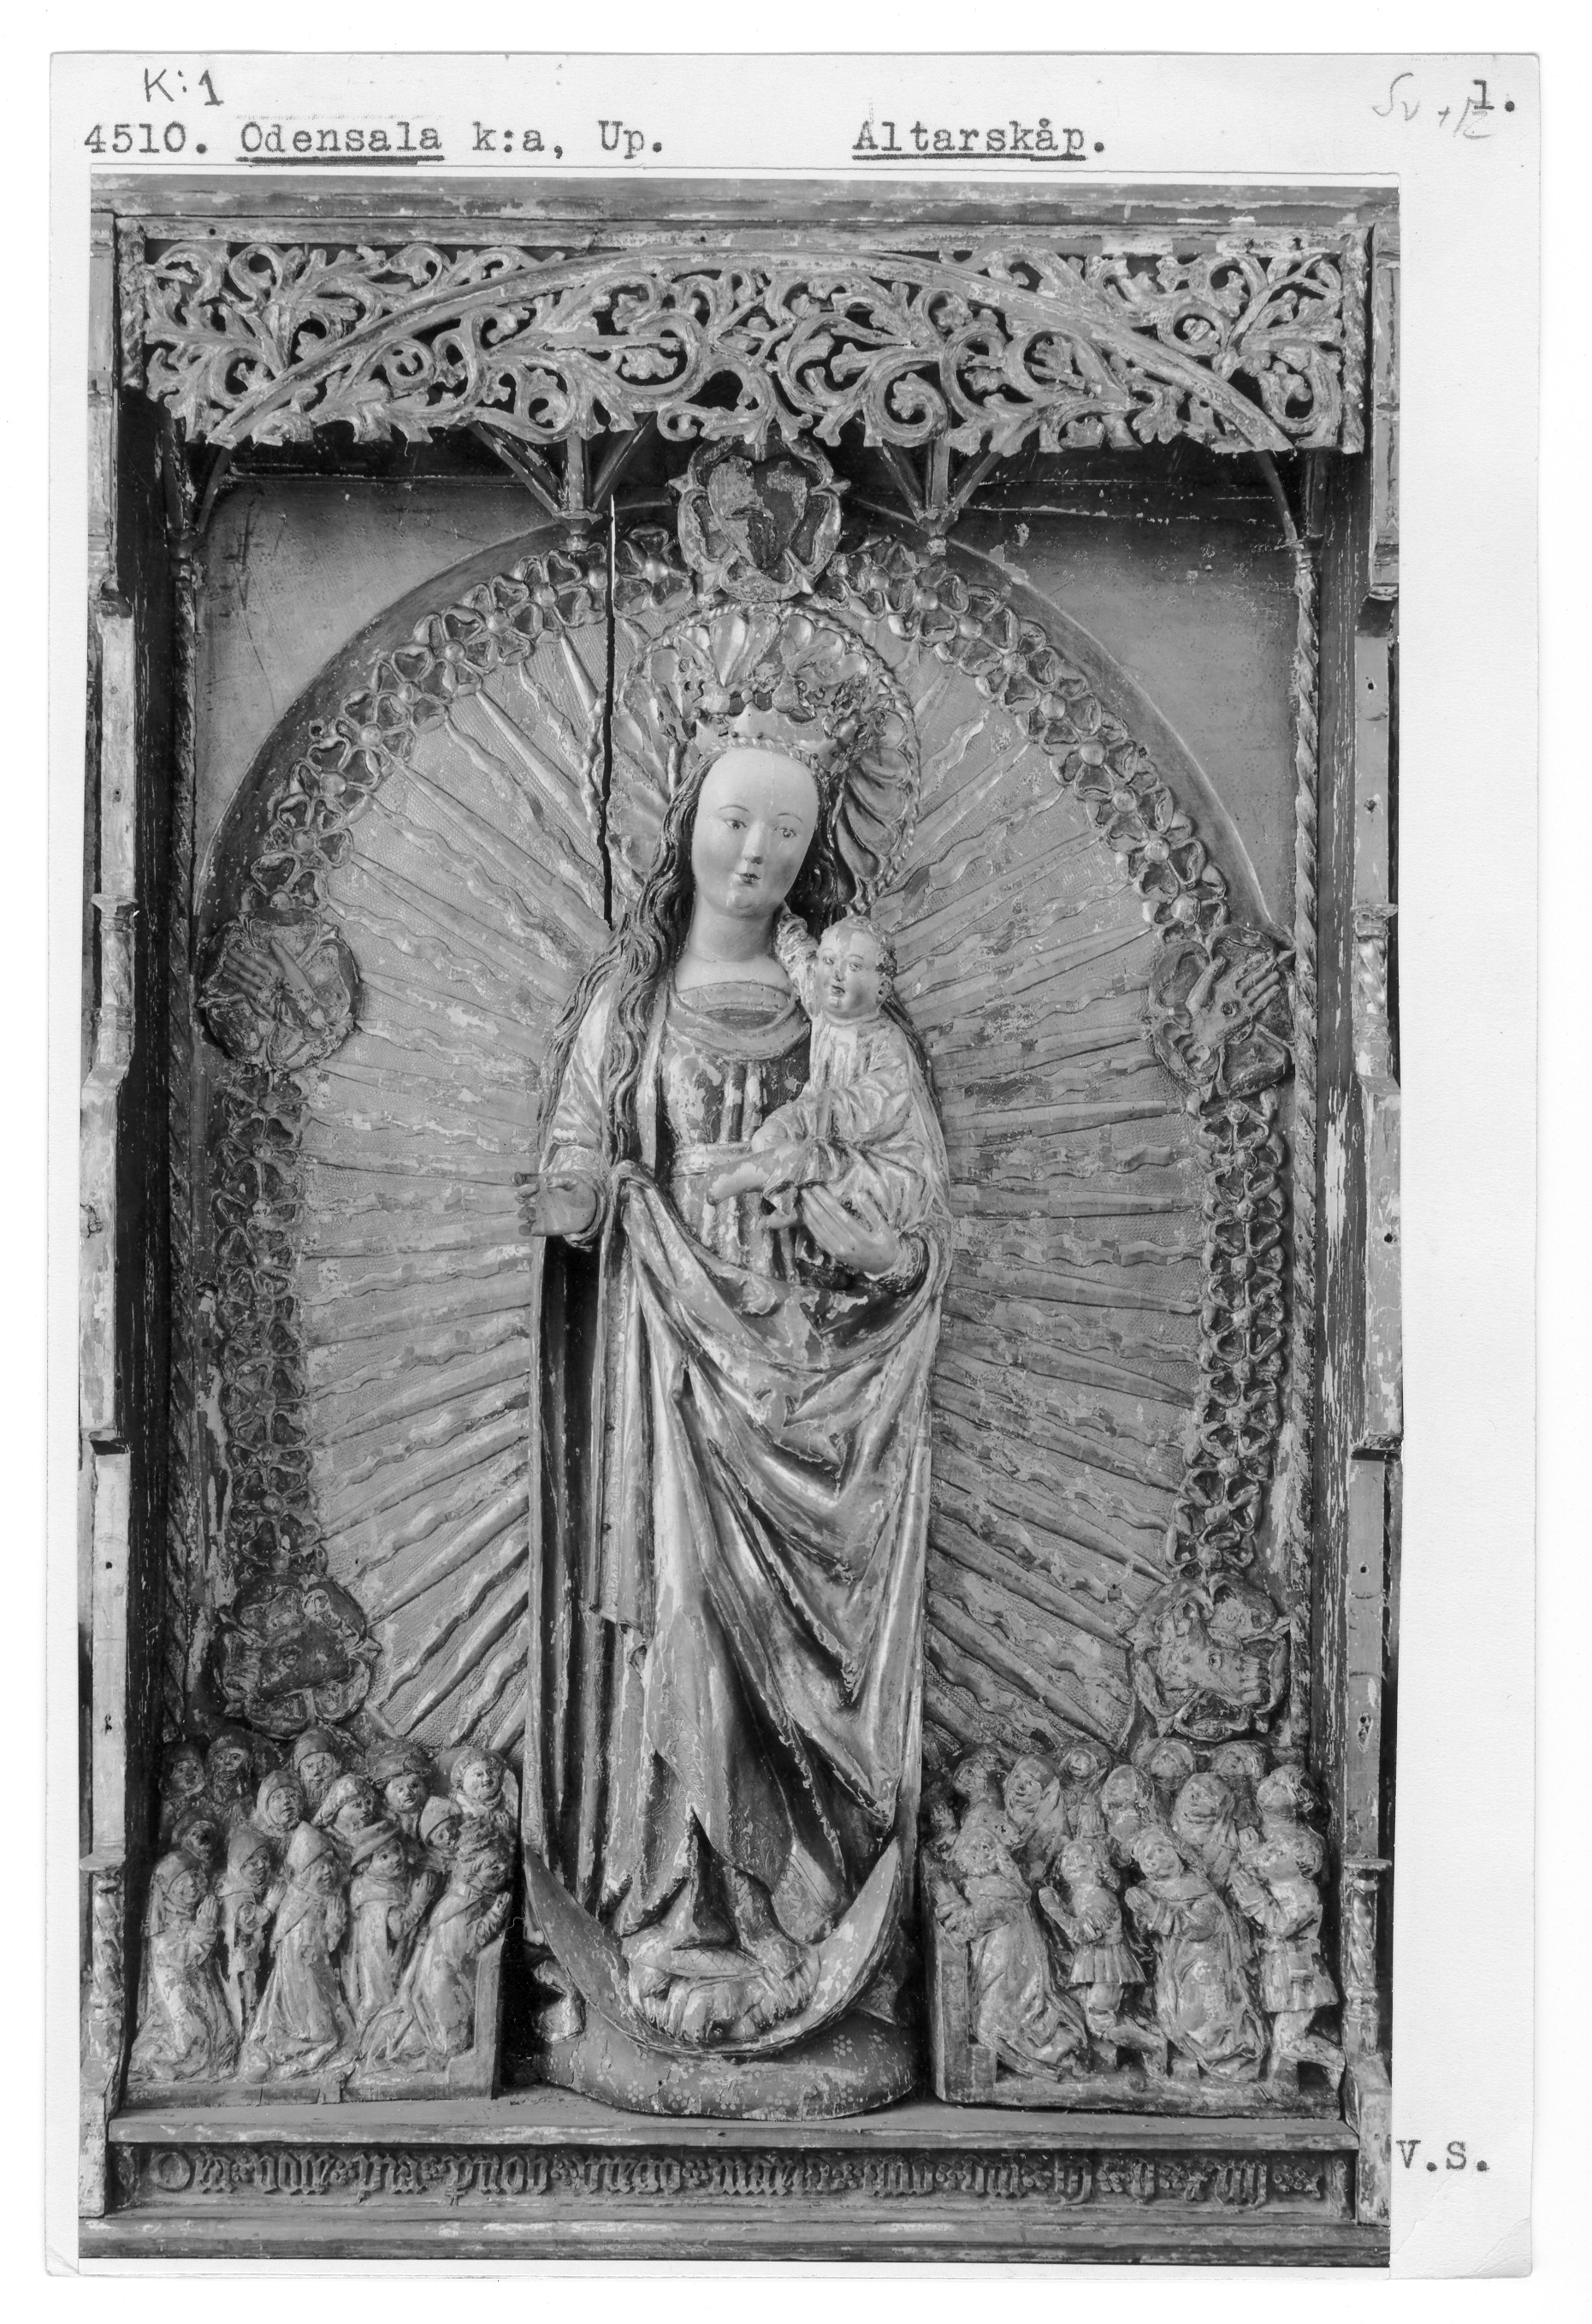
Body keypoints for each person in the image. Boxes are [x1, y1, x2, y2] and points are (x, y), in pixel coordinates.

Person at [519, 707, 951, 2059]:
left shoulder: (852, 1024)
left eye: (786, 830)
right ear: (688, 826)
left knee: (798, 1654)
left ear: (816, 851)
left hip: (821, 1383)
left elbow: (913, 1203)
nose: (756, 852)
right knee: (686, 1610)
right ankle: (682, 1904)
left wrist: (855, 1229)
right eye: (733, 819)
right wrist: (586, 1196)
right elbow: (574, 1160)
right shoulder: (632, 1006)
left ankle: (797, 1912)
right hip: (671, 1371)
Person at [704, 915, 938, 1244]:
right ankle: (796, 1202)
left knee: (815, 1161)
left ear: (882, 989)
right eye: (829, 961)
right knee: (769, 1137)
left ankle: (736, 1178)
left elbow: (880, 1106)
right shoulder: (822, 1008)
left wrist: (816, 1115)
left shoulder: (886, 1040)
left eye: (853, 966)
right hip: (825, 1140)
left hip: (882, 1164)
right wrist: (780, 915)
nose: (837, 973)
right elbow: (799, 958)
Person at [359, 1827, 514, 2069]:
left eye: (504, 1861)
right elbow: (468, 1945)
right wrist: (495, 1916)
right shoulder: (459, 1905)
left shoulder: (470, 1896)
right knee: (452, 2043)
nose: (502, 1868)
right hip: (445, 1986)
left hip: (454, 1977)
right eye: (493, 1867)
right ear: (472, 1872)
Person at [1124, 1829, 1265, 2082]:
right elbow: (1142, 1935)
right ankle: (1186, 2052)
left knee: (1199, 2019)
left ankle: (1231, 2055)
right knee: (1167, 2013)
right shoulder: (1148, 1889)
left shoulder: (1197, 1887)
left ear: (1179, 1852)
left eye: (1160, 1850)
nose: (1154, 1859)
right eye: (1147, 1857)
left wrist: (1155, 1911)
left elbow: (1202, 1926)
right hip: (1170, 1966)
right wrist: (1139, 1914)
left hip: (1203, 1962)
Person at [237, 1823, 353, 2081]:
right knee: (302, 2025)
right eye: (319, 1867)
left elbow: (331, 1947)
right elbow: (279, 1939)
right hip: (292, 1975)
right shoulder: (294, 1898)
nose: (327, 1871)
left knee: (322, 2030)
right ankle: (283, 2050)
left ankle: (304, 2048)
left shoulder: (332, 1899)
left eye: (329, 1864)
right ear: (305, 1871)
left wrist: (334, 1926)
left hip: (318, 1974)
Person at [127, 1853, 237, 2086]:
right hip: (177, 1998)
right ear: (167, 1891)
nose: (192, 1884)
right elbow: (182, 1959)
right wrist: (204, 1926)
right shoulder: (162, 1927)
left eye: (195, 1876)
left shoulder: (192, 1913)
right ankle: (146, 2062)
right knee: (191, 2044)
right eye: (182, 1880)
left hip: (202, 1992)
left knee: (222, 2034)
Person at [345, 1820, 422, 2025]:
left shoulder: (386, 1881)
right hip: (382, 1969)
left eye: (397, 1850)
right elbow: (398, 1929)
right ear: (366, 1864)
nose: (395, 1858)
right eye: (384, 1857)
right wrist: (419, 1903)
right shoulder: (375, 1895)